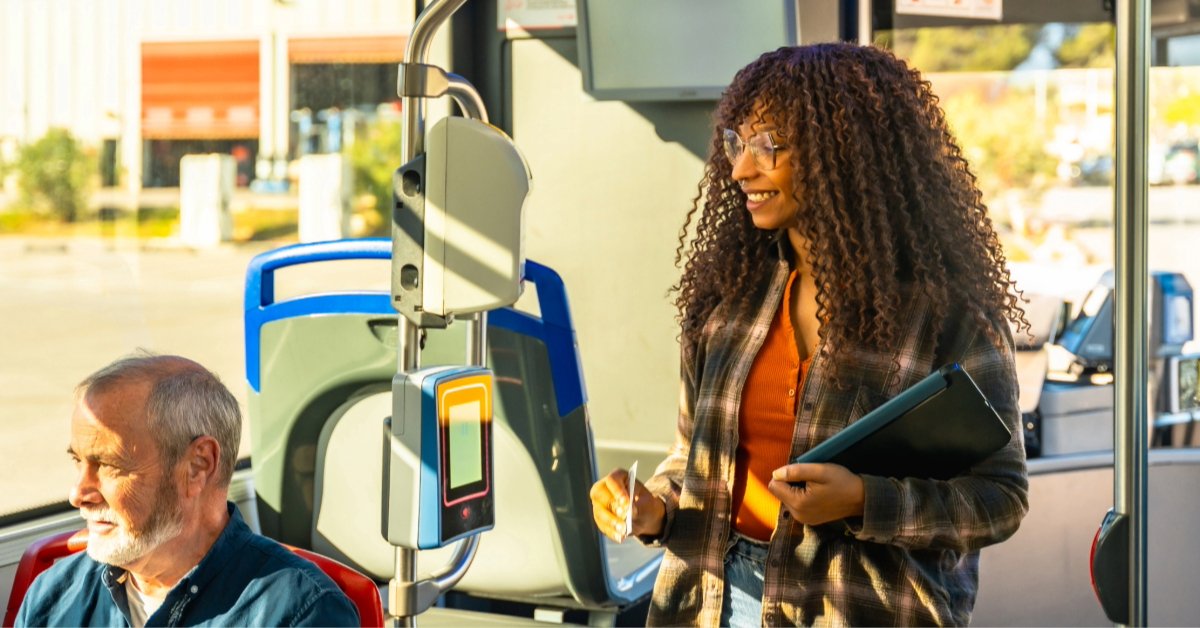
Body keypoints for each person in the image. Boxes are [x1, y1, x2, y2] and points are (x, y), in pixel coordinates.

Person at [590, 43, 1029, 627]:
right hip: (712, 602)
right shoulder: (726, 306)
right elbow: (690, 456)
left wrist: (864, 501)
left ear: (844, 150)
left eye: (769, 144)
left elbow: (1000, 498)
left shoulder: (949, 318)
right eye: (735, 143)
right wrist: (654, 508)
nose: (742, 169)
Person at [16, 352, 359, 628]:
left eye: (109, 465)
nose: (78, 493)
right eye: (78, 462)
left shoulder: (303, 613)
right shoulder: (54, 597)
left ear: (197, 466)